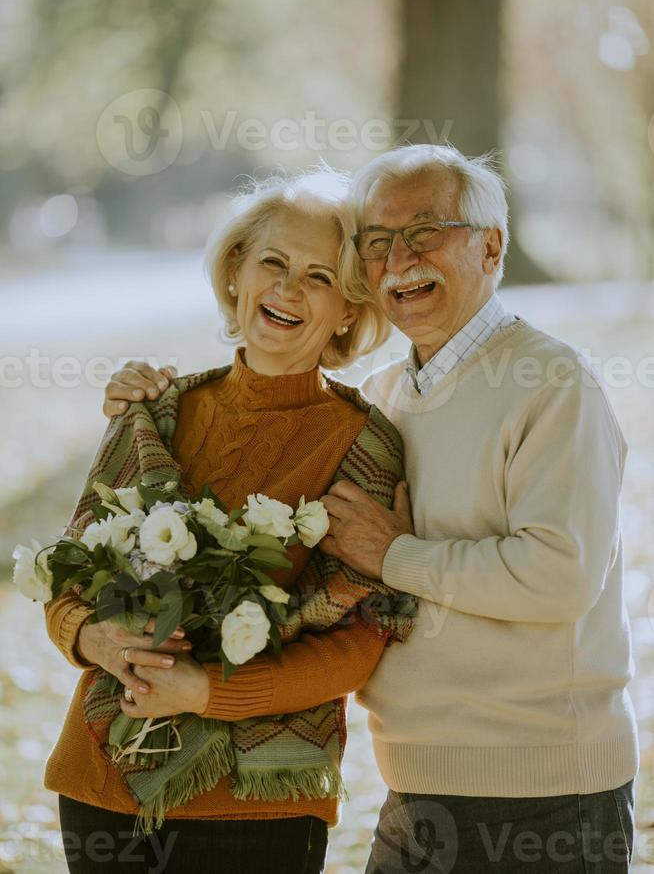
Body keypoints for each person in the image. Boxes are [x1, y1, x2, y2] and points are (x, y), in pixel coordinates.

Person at [107, 144, 639, 873]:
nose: (399, 260)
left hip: (542, 796)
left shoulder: (551, 384)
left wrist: (395, 555)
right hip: (415, 789)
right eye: (377, 242)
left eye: (425, 232)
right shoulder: (385, 401)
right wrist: (144, 407)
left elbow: (560, 577)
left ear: (492, 245)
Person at [43, 168, 414, 874]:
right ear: (236, 271)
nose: (287, 288)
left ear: (347, 310)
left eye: (319, 276)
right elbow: (66, 577)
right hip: (103, 776)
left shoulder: (365, 445)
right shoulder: (155, 413)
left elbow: (362, 639)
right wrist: (94, 638)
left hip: (256, 803)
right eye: (272, 262)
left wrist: (210, 693)